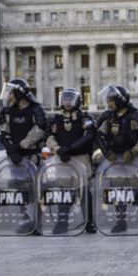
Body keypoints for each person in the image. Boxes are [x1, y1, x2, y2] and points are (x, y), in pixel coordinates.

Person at [96, 84, 138, 233]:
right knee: (117, 191)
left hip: (133, 159)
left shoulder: (136, 115)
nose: (109, 104)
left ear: (120, 100)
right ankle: (120, 221)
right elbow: (99, 135)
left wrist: (134, 150)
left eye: (111, 100)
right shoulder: (108, 116)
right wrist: (107, 152)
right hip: (115, 159)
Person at [45, 88, 97, 234]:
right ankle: (62, 222)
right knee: (64, 191)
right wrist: (58, 149)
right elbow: (48, 136)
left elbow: (89, 136)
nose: (67, 102)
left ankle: (89, 222)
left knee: (83, 190)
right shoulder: (56, 119)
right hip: (62, 158)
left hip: (80, 158)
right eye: (65, 99)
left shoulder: (84, 118)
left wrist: (71, 149)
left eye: (70, 99)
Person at [0, 78, 47, 166]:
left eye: (11, 93)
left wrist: (19, 146)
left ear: (19, 93)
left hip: (32, 157)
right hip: (14, 157)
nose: (9, 97)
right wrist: (11, 149)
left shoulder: (36, 109)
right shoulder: (8, 111)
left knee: (33, 179)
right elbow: (4, 132)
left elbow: (39, 132)